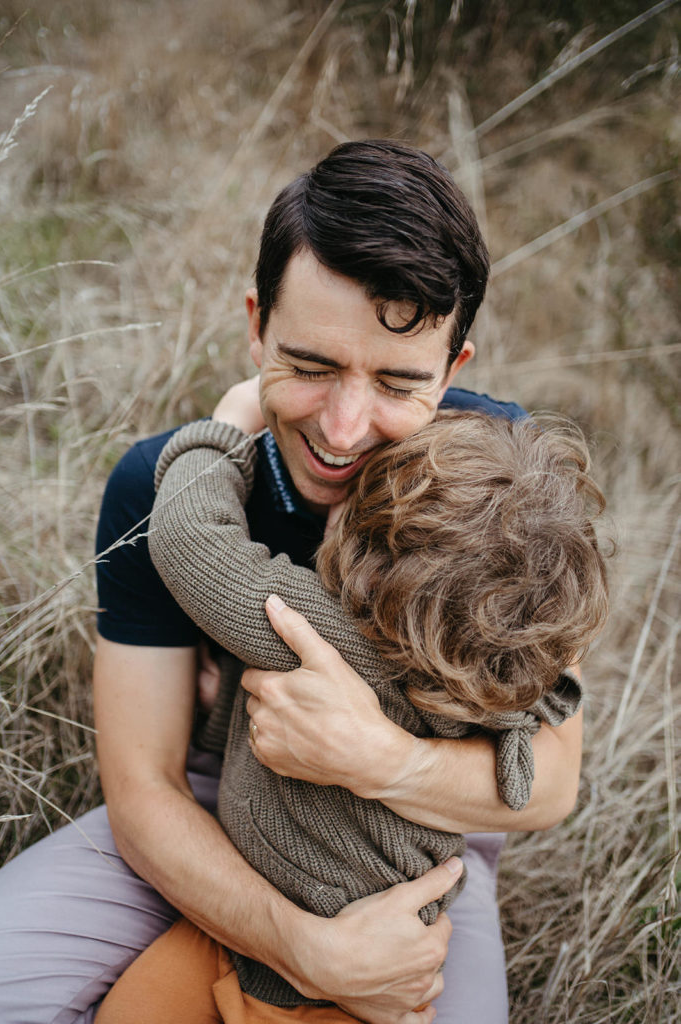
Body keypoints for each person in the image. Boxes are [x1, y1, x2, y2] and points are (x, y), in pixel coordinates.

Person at [0, 140, 584, 1024]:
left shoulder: (501, 500)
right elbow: (144, 788)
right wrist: (302, 948)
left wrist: (378, 758)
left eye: (396, 383)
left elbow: (548, 782)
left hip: (421, 842)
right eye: (310, 366)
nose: (345, 430)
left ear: (453, 370)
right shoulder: (155, 483)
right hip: (212, 794)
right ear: (255, 325)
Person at [95, 402, 607, 1024]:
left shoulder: (322, 630)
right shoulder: (494, 692)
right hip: (380, 959)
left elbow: (190, 540)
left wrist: (222, 433)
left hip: (314, 971)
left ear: (355, 554)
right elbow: (527, 781)